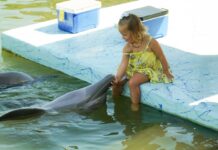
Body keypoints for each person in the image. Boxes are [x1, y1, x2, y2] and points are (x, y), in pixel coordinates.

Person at [112, 13, 174, 111]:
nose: (122, 37)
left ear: (135, 31)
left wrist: (166, 71)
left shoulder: (150, 42)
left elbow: (161, 56)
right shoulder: (128, 47)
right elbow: (124, 64)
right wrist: (118, 77)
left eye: (125, 34)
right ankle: (116, 101)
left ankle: (135, 107)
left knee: (132, 83)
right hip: (134, 69)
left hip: (148, 69)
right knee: (117, 83)